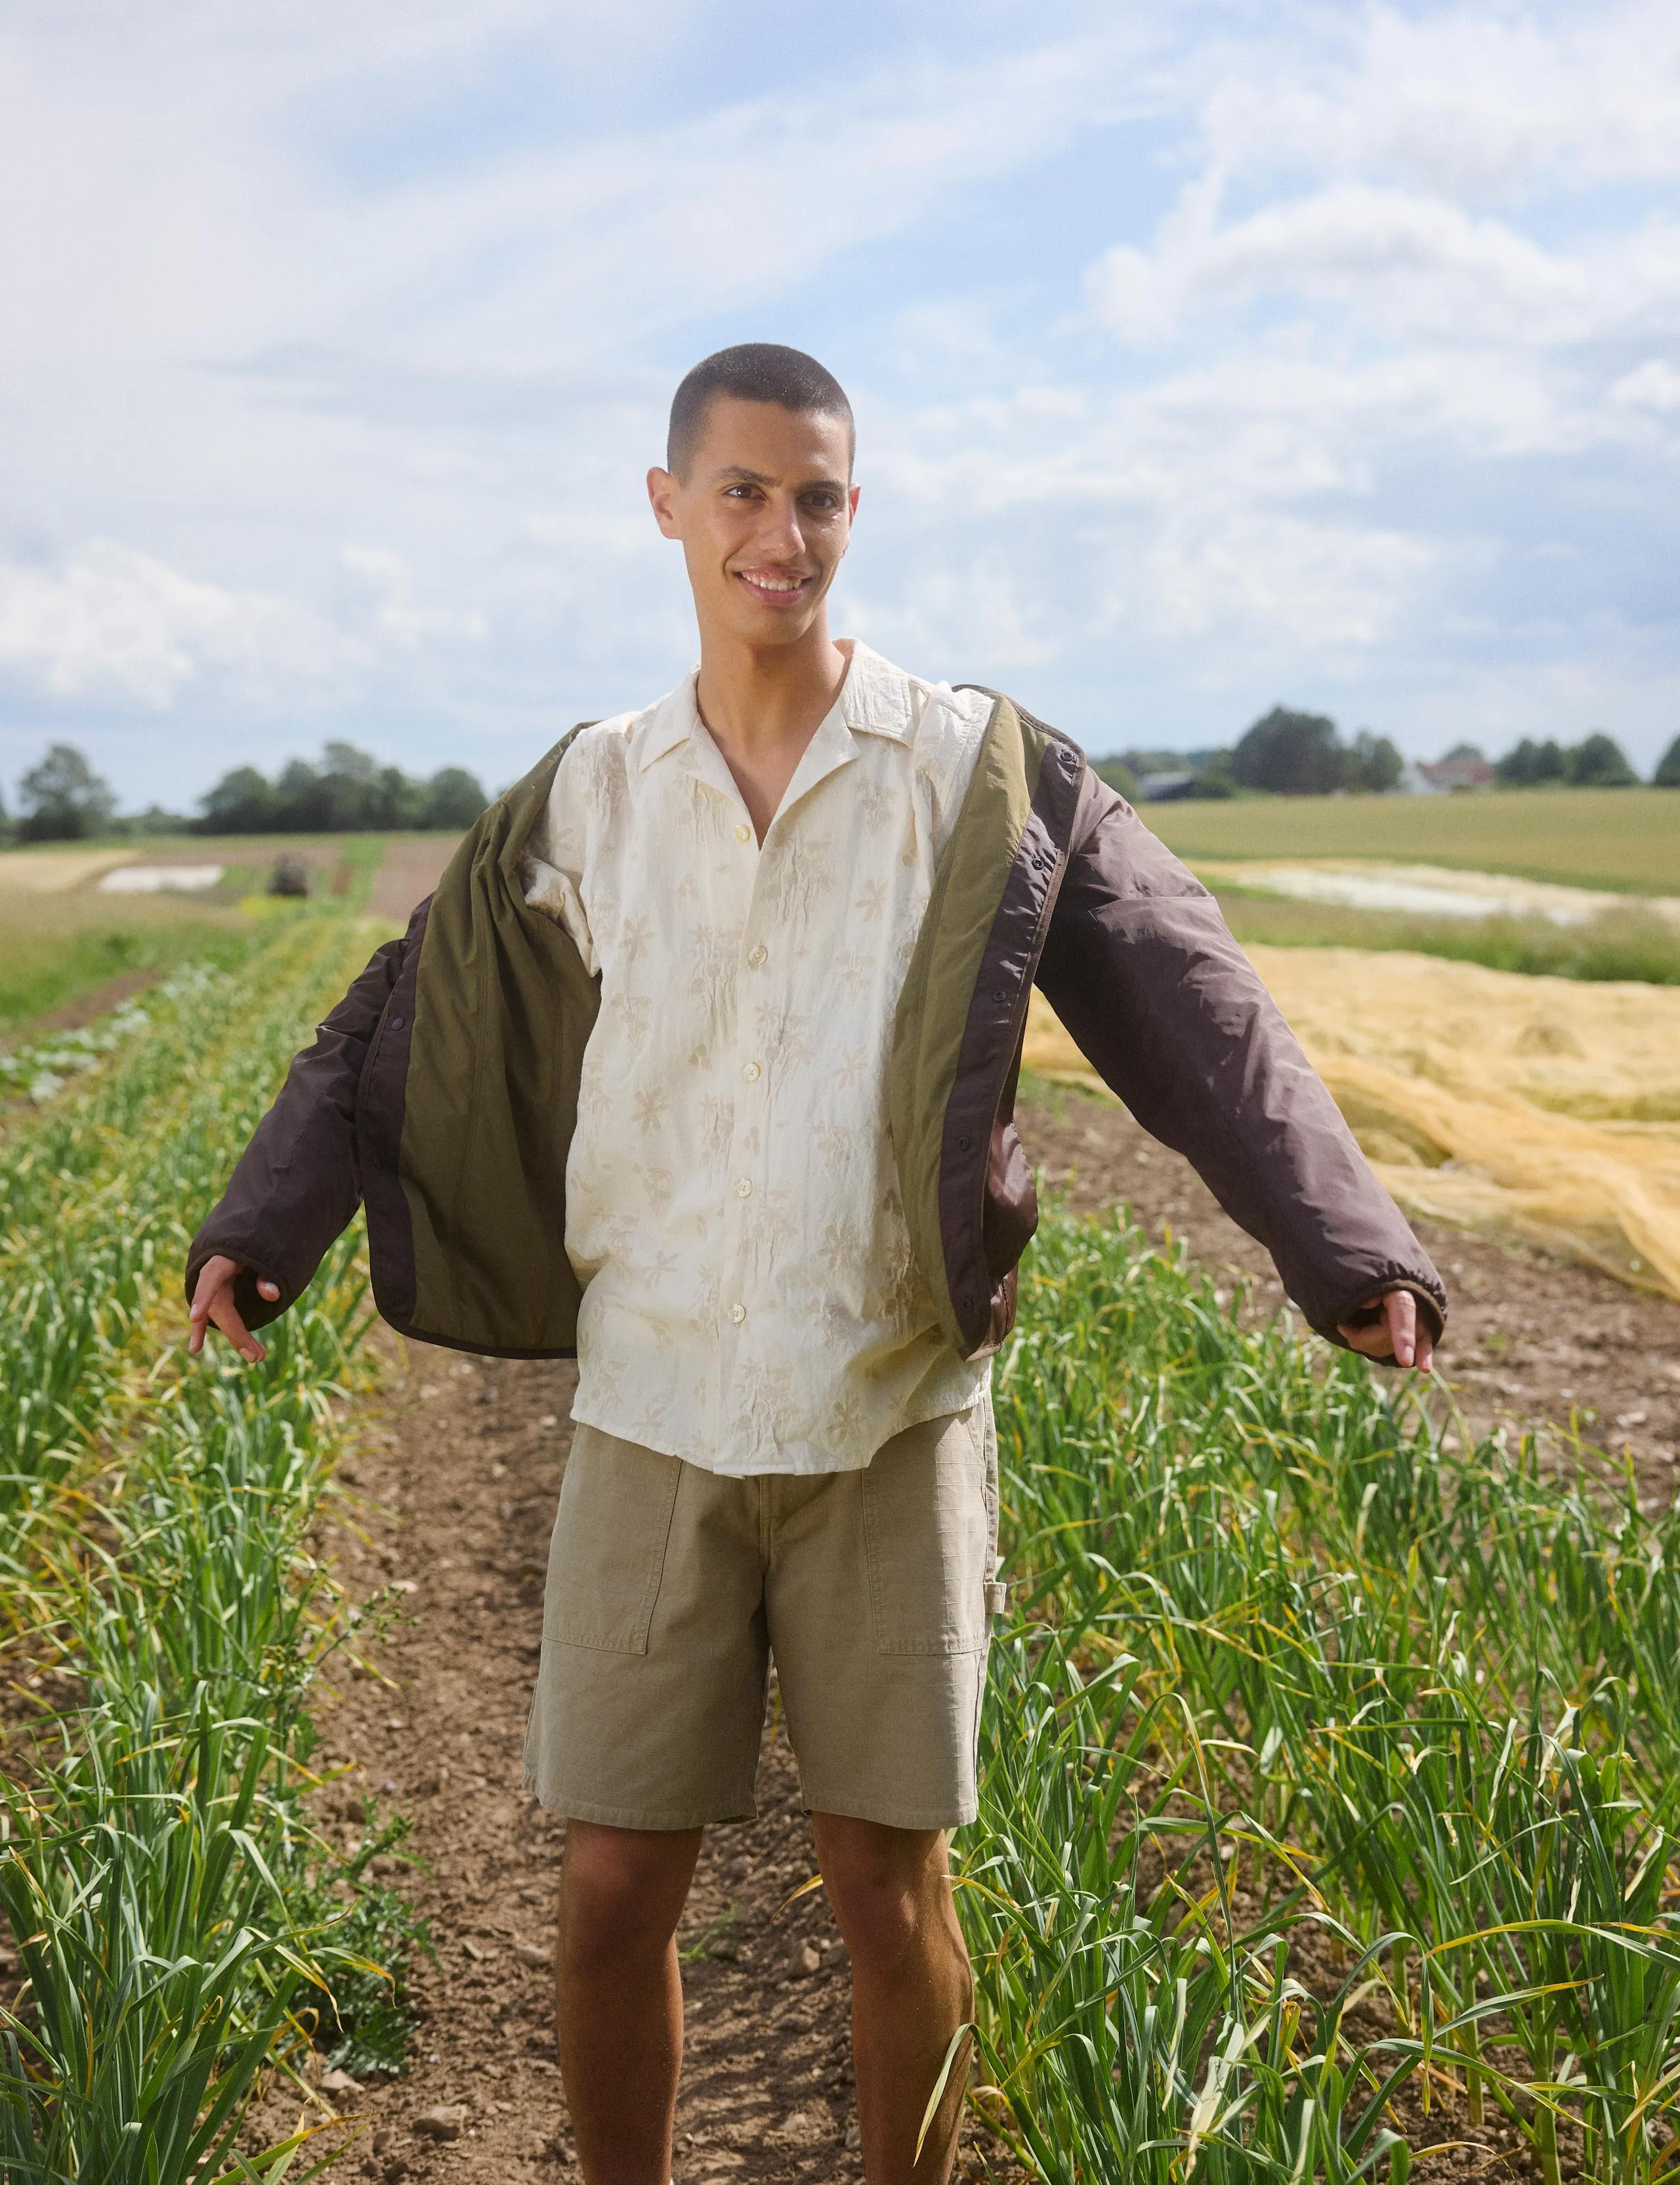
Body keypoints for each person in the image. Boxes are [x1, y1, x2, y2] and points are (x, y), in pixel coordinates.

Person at [185, 343, 1445, 2185]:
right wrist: (264, 1226)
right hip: (658, 1401)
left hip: (888, 1401)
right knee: (614, 1882)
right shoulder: (591, 793)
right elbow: (405, 1017)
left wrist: (1344, 1241)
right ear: (670, 505)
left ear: (860, 510)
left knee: (883, 1879)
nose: (786, 532)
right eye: (748, 492)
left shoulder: (974, 769)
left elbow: (1190, 991)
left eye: (822, 495)